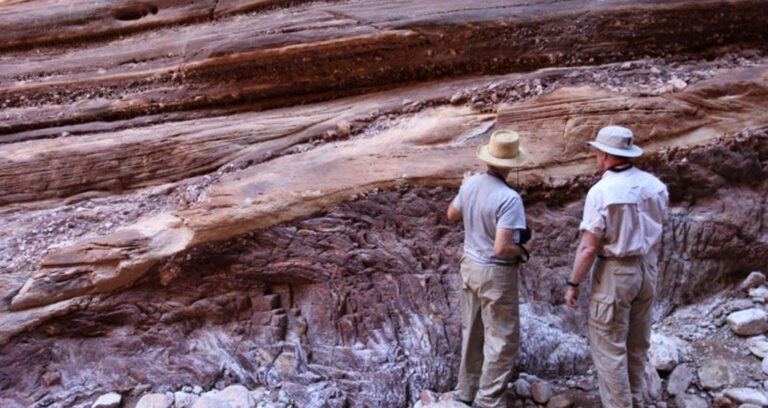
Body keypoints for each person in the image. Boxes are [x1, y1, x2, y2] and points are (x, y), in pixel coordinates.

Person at [564, 125, 668, 408]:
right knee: (637, 342)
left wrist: (573, 283)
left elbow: (588, 248)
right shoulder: (655, 186)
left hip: (616, 272)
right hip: (647, 268)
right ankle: (635, 398)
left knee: (609, 347)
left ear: (606, 155)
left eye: (598, 152)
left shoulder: (601, 192)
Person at [446, 129, 529, 408]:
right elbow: (502, 247)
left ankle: (465, 391)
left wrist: (463, 188)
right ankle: (488, 400)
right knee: (502, 338)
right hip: (495, 273)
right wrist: (524, 251)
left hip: (469, 266)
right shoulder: (509, 198)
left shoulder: (470, 183)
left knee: (472, 331)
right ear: (512, 163)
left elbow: (451, 214)